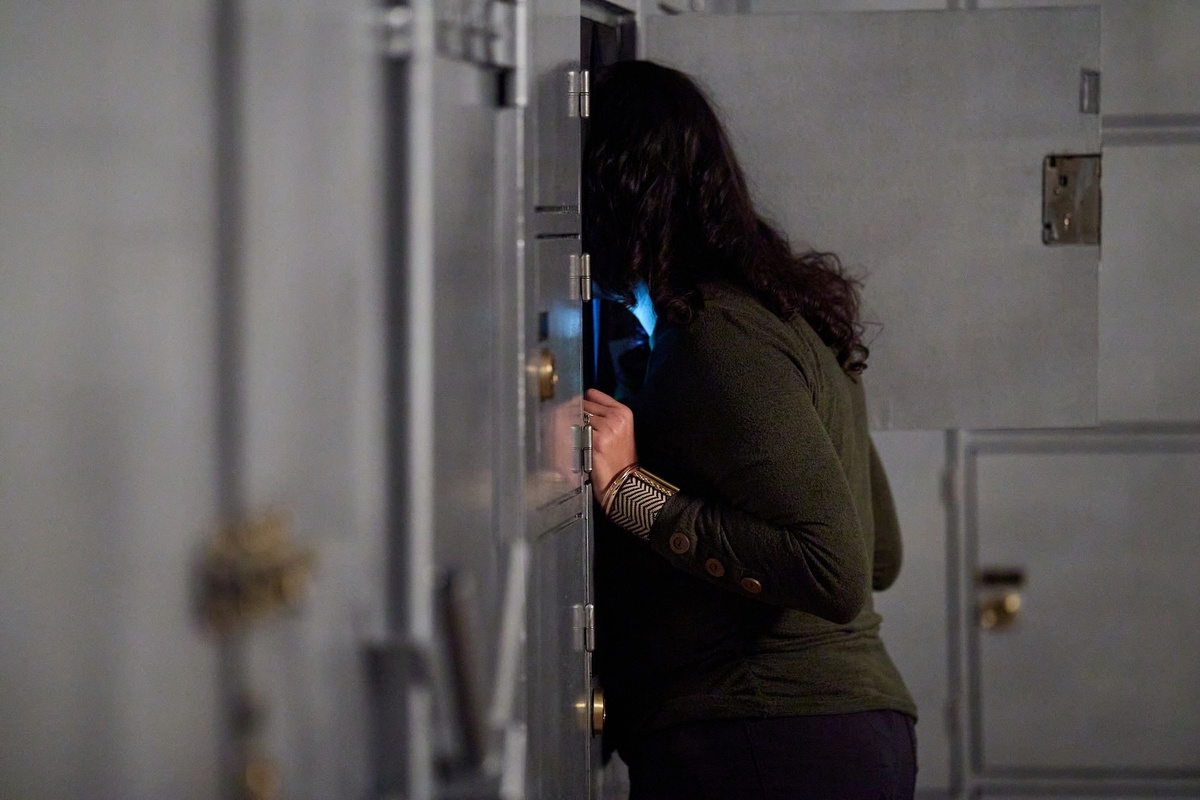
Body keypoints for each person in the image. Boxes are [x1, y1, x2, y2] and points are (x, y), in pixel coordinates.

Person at [580, 60, 918, 800]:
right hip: (852, 733)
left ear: (617, 195)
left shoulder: (716, 339)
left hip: (765, 739)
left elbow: (835, 569)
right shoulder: (790, 314)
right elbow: (879, 554)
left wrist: (633, 494)